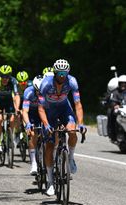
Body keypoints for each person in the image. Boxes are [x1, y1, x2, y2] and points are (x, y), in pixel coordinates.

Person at [38, 59, 87, 196]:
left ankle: (70, 158)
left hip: (65, 109)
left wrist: (81, 123)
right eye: (59, 73)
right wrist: (46, 125)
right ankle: (50, 182)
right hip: (49, 111)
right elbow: (40, 108)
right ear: (55, 72)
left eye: (64, 73)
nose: (62, 75)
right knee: (49, 145)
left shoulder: (72, 82)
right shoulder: (46, 84)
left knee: (72, 131)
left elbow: (77, 104)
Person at [0, 65, 20, 154]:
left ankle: (9, 136)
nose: (5, 79)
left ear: (10, 76)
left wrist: (17, 108)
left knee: (12, 119)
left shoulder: (13, 81)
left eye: (7, 76)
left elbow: (16, 96)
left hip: (8, 101)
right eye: (3, 76)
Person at [22, 75, 43, 175]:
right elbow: (25, 111)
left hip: (44, 113)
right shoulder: (28, 92)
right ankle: (34, 163)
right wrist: (28, 124)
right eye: (37, 91)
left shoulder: (48, 90)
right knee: (32, 135)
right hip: (31, 114)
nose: (39, 93)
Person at [108, 74, 126, 141]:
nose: (123, 85)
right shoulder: (116, 92)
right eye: (121, 84)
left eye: (125, 84)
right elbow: (112, 100)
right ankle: (117, 133)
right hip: (120, 110)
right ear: (119, 84)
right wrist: (115, 105)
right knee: (115, 116)